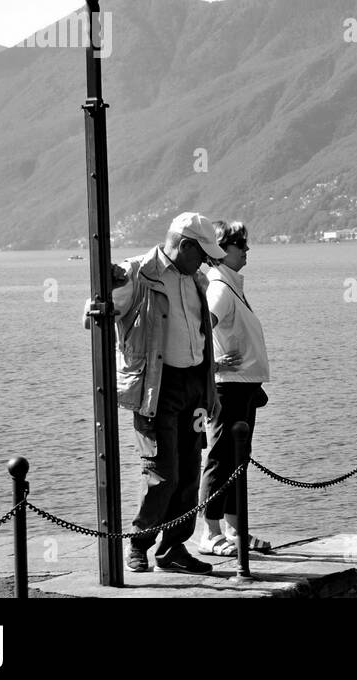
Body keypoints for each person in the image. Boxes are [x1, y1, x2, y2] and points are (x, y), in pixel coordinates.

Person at [92, 211, 225, 574]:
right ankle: (139, 543)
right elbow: (96, 311)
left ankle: (173, 548)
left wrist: (208, 389)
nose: (207, 261)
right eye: (202, 253)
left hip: (194, 387)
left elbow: (201, 338)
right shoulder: (137, 274)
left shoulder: (195, 279)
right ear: (184, 245)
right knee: (161, 475)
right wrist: (96, 304)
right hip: (156, 388)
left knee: (189, 474)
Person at [197, 221, 274, 555]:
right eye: (240, 244)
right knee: (221, 457)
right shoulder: (219, 289)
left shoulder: (231, 286)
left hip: (242, 386)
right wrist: (213, 364)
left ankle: (233, 530)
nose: (246, 250)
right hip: (228, 387)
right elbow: (198, 333)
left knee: (238, 460)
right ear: (221, 250)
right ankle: (210, 533)